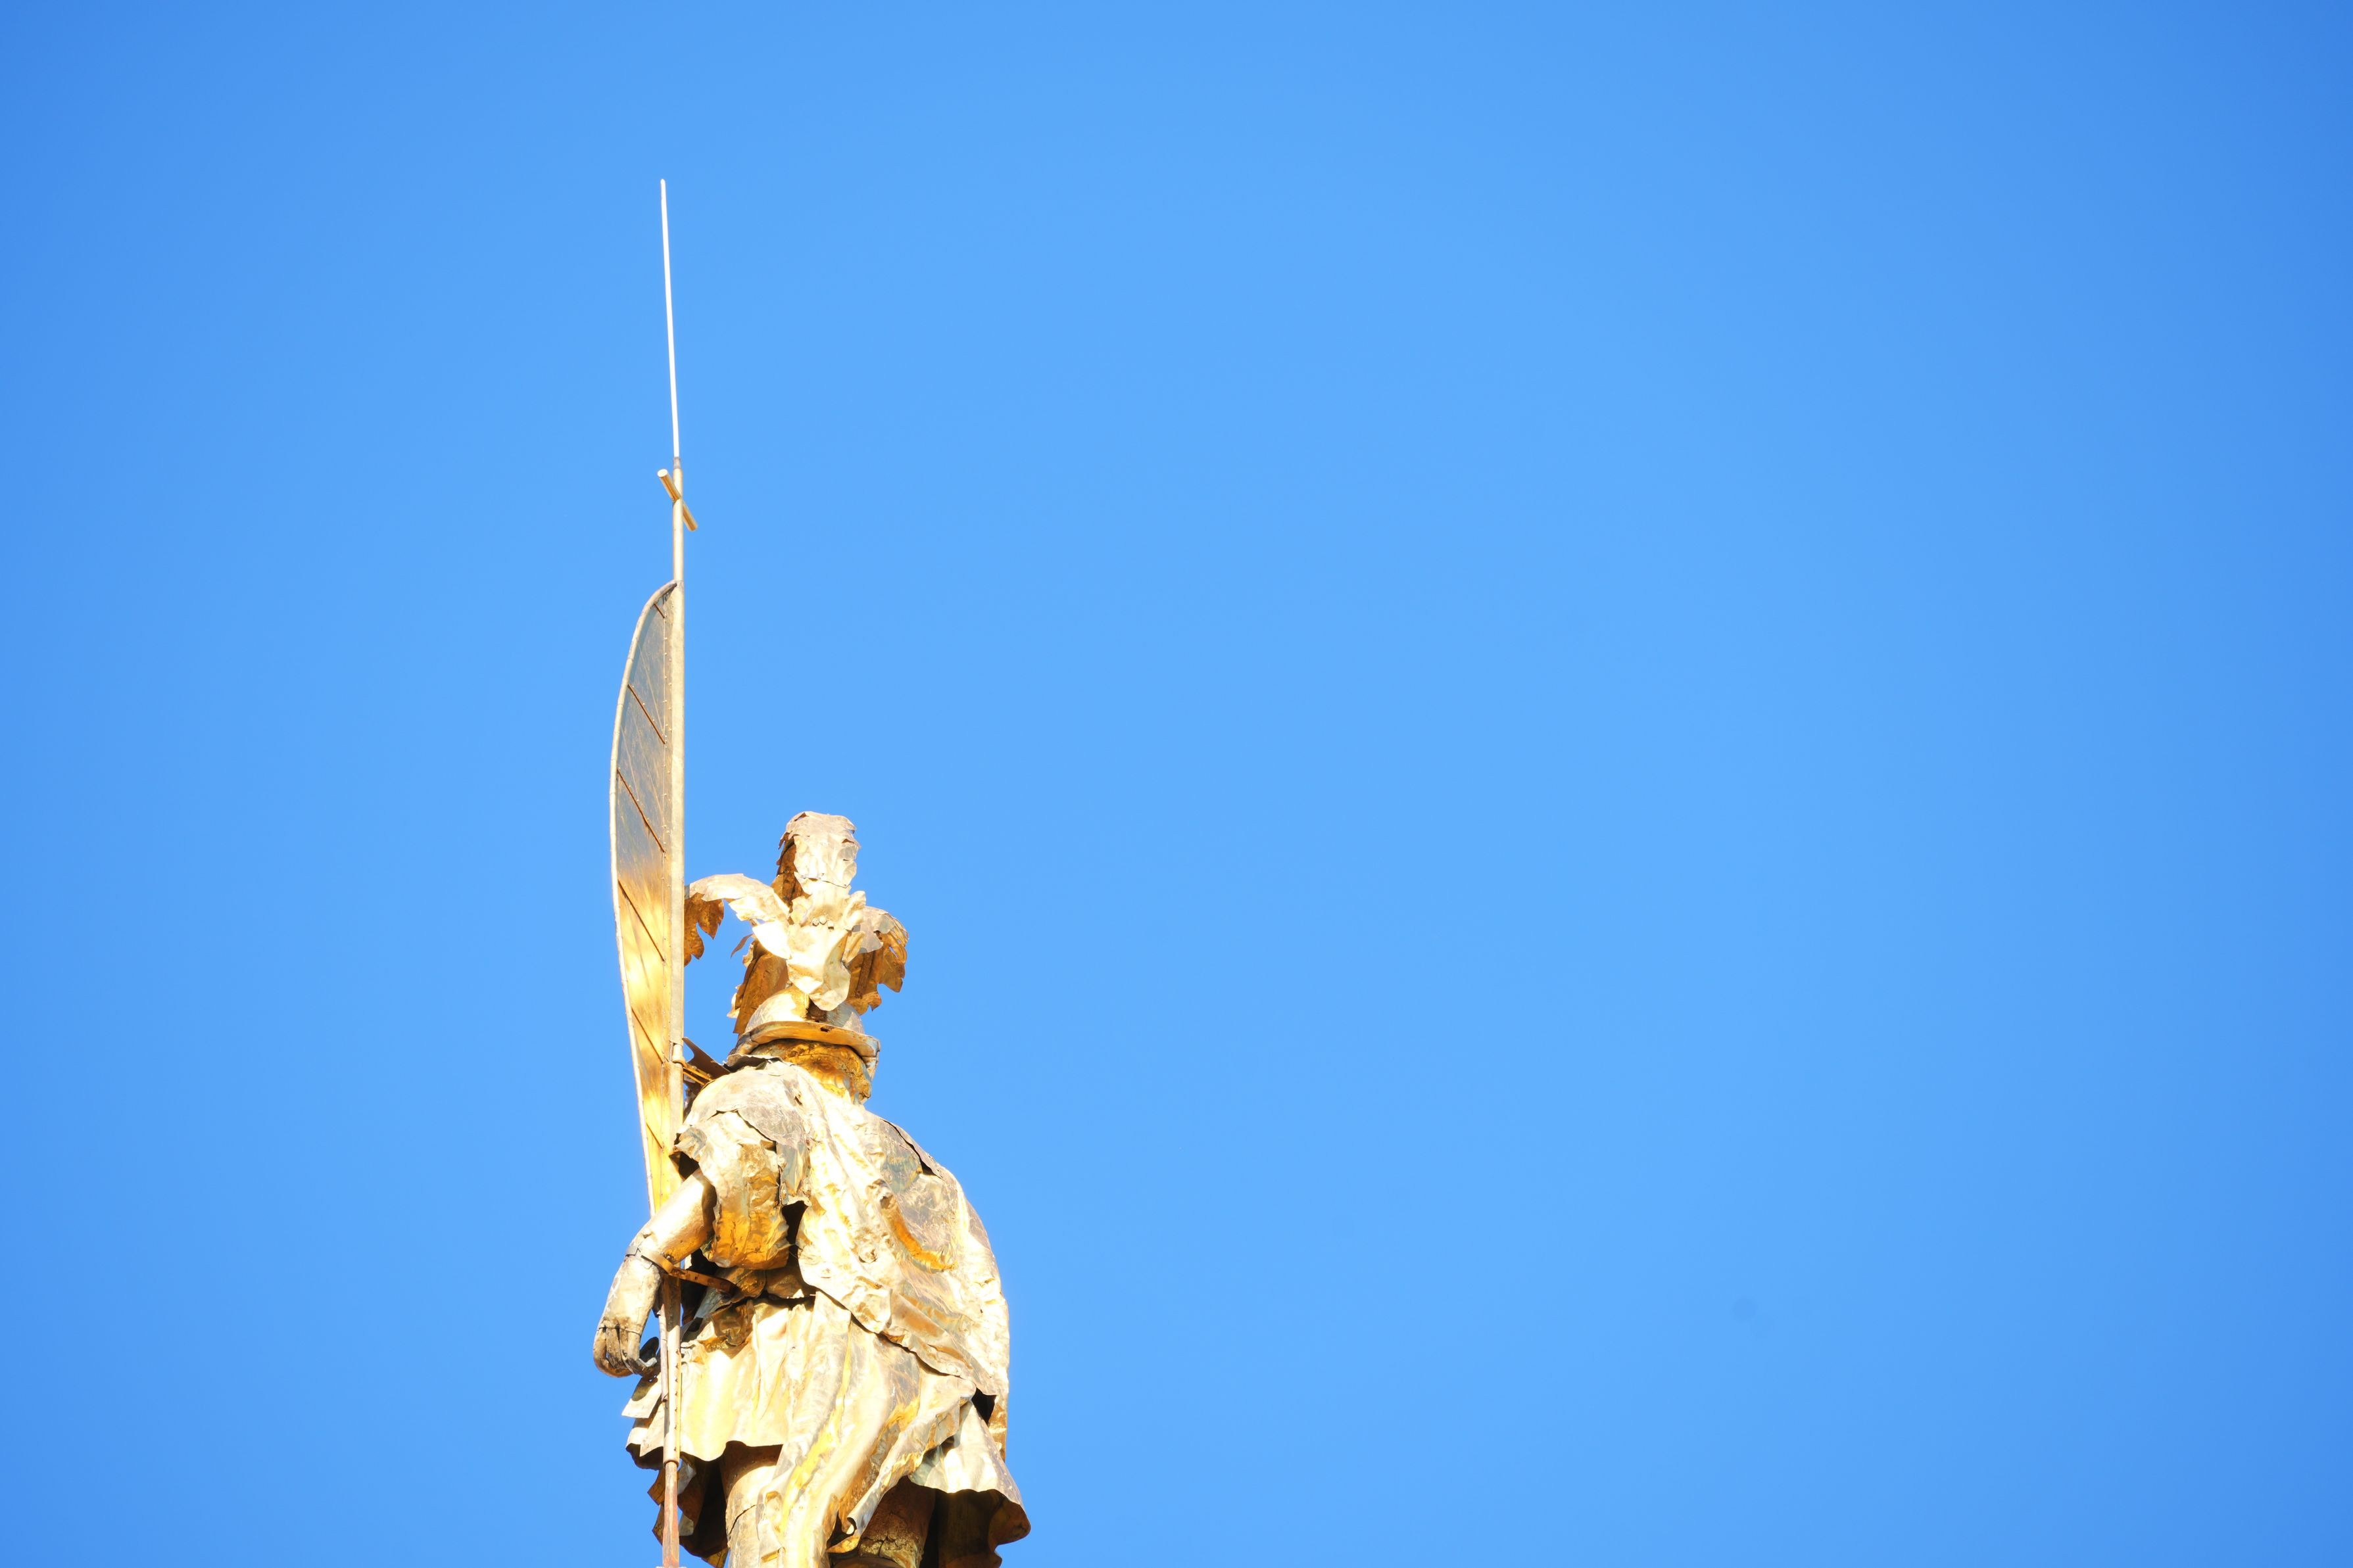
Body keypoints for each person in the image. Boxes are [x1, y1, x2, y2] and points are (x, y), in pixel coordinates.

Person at [594, 813, 1029, 1568]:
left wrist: (644, 1263)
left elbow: (742, 1170)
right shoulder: (922, 1165)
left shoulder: (768, 1093)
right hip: (917, 1423)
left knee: (774, 1545)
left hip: (788, 1383)